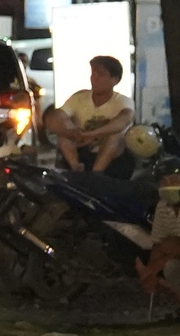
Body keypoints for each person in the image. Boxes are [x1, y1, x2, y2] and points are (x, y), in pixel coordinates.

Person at [48, 55, 134, 173]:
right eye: (93, 74)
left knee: (115, 136)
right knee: (63, 135)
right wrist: (70, 131)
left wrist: (93, 134)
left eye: (100, 75)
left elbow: (123, 121)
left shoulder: (122, 101)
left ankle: (96, 173)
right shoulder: (79, 98)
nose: (94, 78)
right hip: (82, 149)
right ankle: (75, 167)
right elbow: (56, 117)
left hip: (114, 156)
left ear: (115, 80)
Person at [137, 170, 180, 302]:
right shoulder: (162, 206)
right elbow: (159, 243)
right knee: (171, 268)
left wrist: (154, 266)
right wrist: (151, 274)